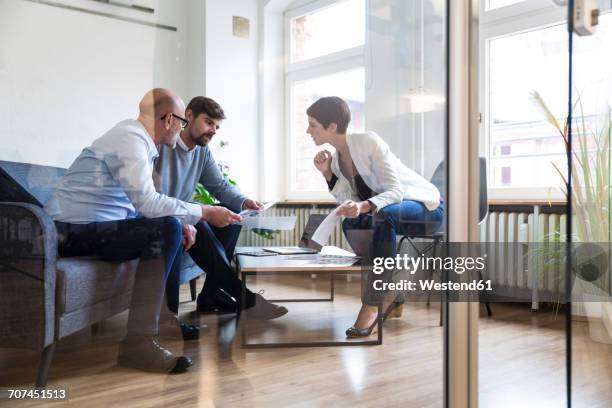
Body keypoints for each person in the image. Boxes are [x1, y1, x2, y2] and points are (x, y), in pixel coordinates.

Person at [44, 88, 242, 373]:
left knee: (170, 227)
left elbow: (136, 206)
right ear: (167, 119)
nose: (181, 129)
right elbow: (148, 203)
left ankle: (160, 320)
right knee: (164, 230)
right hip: (68, 232)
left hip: (88, 229)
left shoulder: (137, 142)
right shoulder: (131, 139)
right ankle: (139, 344)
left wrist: (184, 221)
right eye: (181, 123)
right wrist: (206, 212)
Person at [307, 96, 444, 338]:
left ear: (332, 127)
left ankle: (372, 303)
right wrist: (327, 173)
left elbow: (395, 191)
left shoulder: (368, 141)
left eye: (313, 124)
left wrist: (365, 206)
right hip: (390, 212)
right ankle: (390, 293)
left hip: (427, 207)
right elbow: (348, 200)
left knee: (382, 216)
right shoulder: (337, 159)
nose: (308, 131)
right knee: (352, 221)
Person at [155, 96, 287, 320]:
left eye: (216, 126)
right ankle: (245, 298)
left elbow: (220, 186)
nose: (213, 130)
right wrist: (192, 217)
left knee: (230, 215)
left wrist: (245, 202)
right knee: (202, 223)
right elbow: (152, 199)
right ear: (188, 115)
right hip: (163, 218)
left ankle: (211, 295)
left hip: (186, 217)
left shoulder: (202, 152)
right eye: (208, 123)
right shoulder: (162, 144)